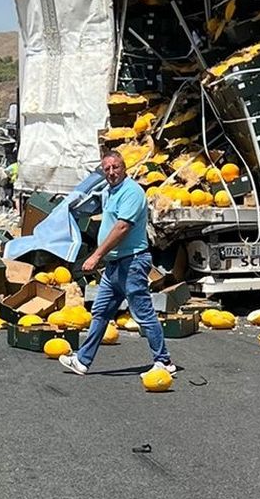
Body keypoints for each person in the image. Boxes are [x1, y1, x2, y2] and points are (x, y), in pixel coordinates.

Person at [59, 151, 179, 377]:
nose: (112, 172)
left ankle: (164, 362)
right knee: (101, 311)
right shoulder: (109, 191)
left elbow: (122, 227)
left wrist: (96, 255)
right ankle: (83, 361)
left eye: (115, 167)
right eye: (107, 169)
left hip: (132, 263)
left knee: (143, 313)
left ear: (124, 167)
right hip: (115, 264)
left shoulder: (132, 192)